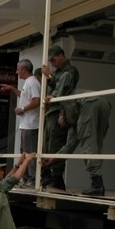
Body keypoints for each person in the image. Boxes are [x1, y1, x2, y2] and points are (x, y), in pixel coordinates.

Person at [43, 90, 112, 196]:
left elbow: (63, 97)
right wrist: (53, 158)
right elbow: (69, 146)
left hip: (89, 104)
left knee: (88, 145)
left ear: (61, 115)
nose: (62, 127)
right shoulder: (75, 120)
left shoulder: (67, 111)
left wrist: (54, 97)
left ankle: (97, 184)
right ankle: (97, 182)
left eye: (61, 126)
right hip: (103, 102)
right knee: (96, 145)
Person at [41, 45, 79, 190]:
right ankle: (48, 175)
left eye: (54, 59)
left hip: (59, 111)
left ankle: (57, 177)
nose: (52, 62)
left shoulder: (69, 72)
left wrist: (50, 76)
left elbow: (63, 92)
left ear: (61, 56)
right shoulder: (60, 72)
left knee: (56, 144)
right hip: (52, 112)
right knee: (48, 144)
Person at [2, 59, 41, 186]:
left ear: (24, 69)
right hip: (25, 124)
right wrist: (13, 89)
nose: (17, 71)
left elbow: (36, 101)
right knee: (24, 152)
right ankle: (25, 178)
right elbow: (25, 97)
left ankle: (32, 179)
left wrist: (22, 109)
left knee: (29, 153)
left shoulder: (33, 82)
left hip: (31, 124)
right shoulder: (28, 82)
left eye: (18, 69)